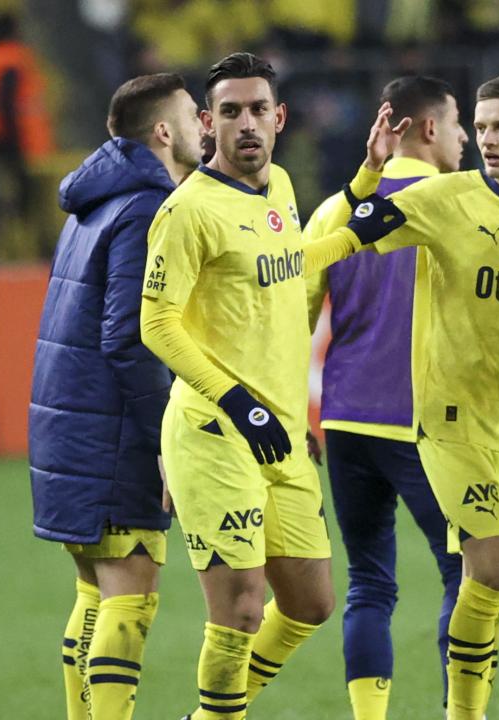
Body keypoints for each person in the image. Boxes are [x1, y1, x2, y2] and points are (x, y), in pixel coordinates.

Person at [303, 73, 499, 720]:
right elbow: (336, 247)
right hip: (434, 420)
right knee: (478, 570)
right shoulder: (442, 197)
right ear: (431, 128)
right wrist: (277, 258)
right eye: (474, 125)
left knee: (392, 582)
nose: (480, 139)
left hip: (398, 418)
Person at [138, 53, 402, 720]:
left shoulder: (279, 186)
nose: (247, 123)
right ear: (207, 123)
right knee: (241, 611)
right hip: (215, 430)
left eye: (258, 109)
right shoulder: (188, 211)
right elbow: (156, 323)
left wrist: (355, 225)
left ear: (279, 117)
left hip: (278, 430)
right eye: (230, 112)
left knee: (311, 602)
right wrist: (236, 402)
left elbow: (288, 263)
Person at [28, 72, 204, 720]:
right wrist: (166, 439)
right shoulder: (146, 208)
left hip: (74, 427)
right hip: (112, 433)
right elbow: (130, 338)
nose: (204, 125)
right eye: (193, 114)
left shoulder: (95, 201)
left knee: (95, 593)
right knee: (131, 591)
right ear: (163, 132)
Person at [302, 75, 469, 720]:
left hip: (346, 418)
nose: (465, 139)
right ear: (428, 128)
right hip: (421, 421)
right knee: (466, 574)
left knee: (369, 584)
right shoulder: (458, 203)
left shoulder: (335, 210)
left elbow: (293, 322)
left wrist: (290, 412)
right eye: (458, 124)